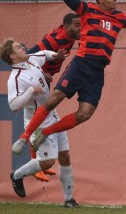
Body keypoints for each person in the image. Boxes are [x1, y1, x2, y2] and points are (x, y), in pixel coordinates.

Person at [11, 0, 126, 155]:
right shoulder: (87, 10)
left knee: (85, 114)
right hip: (82, 63)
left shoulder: (120, 18)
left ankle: (46, 132)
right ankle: (24, 136)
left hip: (97, 71)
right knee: (54, 100)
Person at [0, 40, 79, 208]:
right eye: (18, 47)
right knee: (48, 162)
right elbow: (13, 106)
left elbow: (44, 54)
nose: (22, 46)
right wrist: (30, 91)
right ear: (13, 56)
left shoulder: (31, 59)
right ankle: (17, 175)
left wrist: (56, 55)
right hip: (37, 122)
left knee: (64, 155)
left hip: (52, 114)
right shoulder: (15, 78)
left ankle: (69, 199)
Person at [23, 13, 81, 182]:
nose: (81, 29)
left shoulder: (70, 35)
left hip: (43, 81)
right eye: (78, 25)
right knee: (37, 119)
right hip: (36, 82)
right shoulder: (55, 41)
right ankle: (36, 163)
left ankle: (38, 163)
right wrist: (43, 73)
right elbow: (29, 57)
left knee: (40, 118)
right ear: (67, 27)